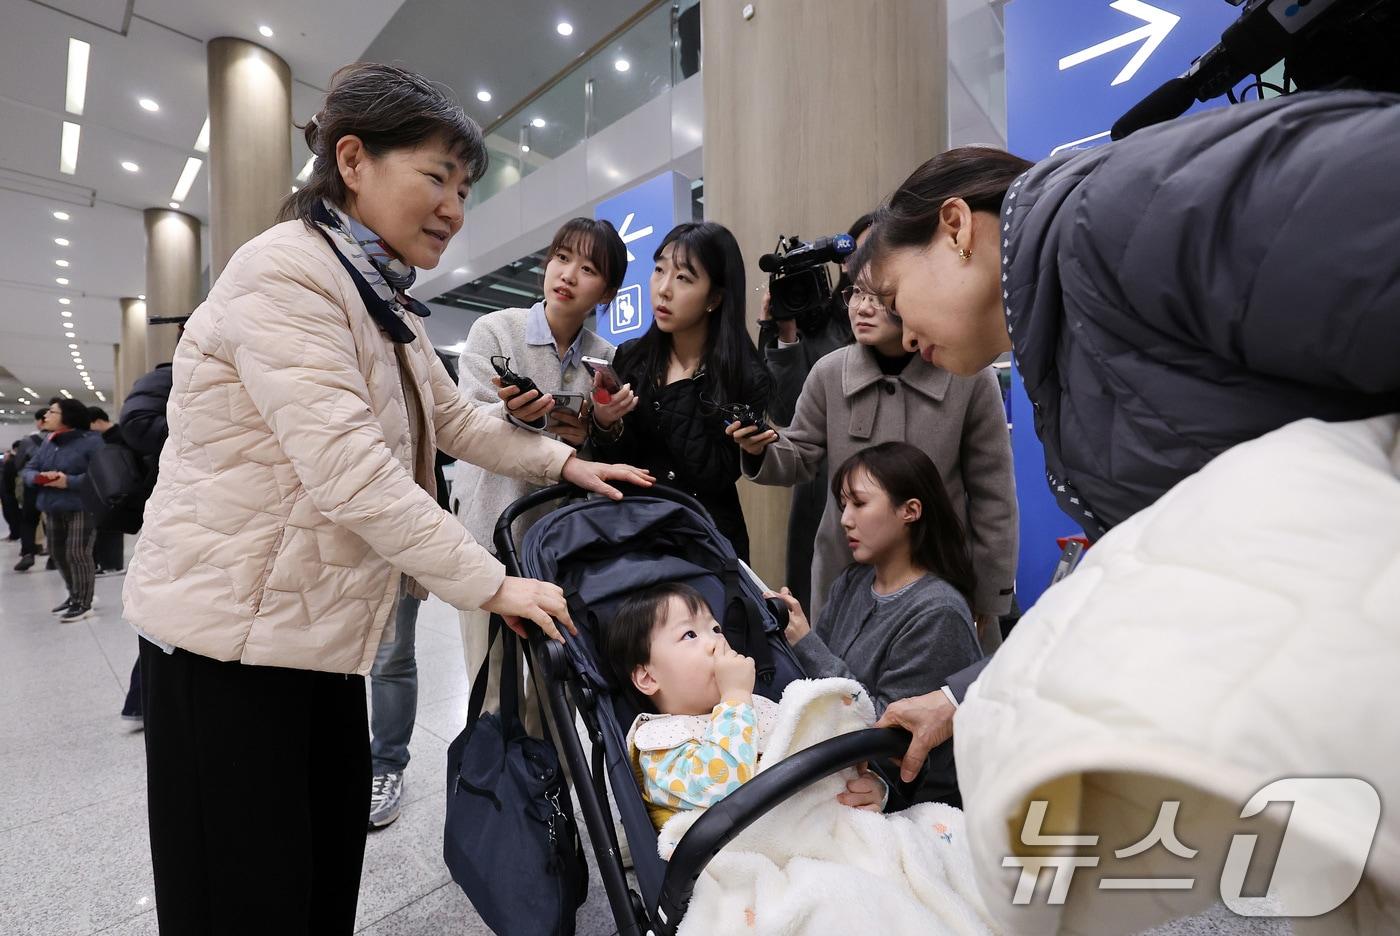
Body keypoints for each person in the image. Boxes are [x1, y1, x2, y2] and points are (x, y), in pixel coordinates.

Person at [122, 62, 651, 935]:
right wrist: (491, 583)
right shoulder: (286, 274)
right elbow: (352, 473)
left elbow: (454, 419)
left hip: (313, 640)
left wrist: (566, 465)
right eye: (437, 176)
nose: (454, 205)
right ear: (355, 160)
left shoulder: (377, 297)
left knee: (321, 877)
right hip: (228, 649)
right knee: (245, 894)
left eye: (465, 186)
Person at [850, 92, 1400, 782]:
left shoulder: (1115, 215)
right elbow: (1132, 579)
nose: (899, 333)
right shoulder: (1066, 350)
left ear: (956, 227)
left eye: (896, 298)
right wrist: (967, 695)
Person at [732, 242, 1016, 638]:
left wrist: (989, 593)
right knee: (844, 692)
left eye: (880, 298)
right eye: (856, 294)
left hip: (942, 575)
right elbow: (799, 455)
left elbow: (993, 497)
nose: (862, 308)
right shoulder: (829, 374)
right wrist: (761, 447)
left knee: (942, 690)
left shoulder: (968, 375)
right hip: (844, 576)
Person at [453, 216, 628, 751]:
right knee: (495, 686)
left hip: (558, 547)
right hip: (489, 536)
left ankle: (549, 800)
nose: (568, 274)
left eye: (588, 268)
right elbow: (468, 425)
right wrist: (528, 421)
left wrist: (603, 426)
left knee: (556, 691)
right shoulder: (496, 332)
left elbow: (600, 453)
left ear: (609, 290)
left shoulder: (606, 357)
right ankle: (502, 805)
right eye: (561, 258)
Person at [766, 443, 983, 805]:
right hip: (839, 772)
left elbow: (890, 730)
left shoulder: (938, 612)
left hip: (915, 802)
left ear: (910, 511)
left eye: (860, 503)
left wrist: (804, 641)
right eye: (843, 505)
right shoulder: (852, 583)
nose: (845, 519)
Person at [601, 582, 886, 829]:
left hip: (821, 824)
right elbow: (725, 790)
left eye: (715, 628)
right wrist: (735, 696)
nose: (716, 641)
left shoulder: (754, 706)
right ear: (648, 677)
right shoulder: (660, 744)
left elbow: (816, 751)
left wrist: (868, 784)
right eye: (690, 634)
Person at [592, 221, 771, 560]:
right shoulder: (632, 356)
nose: (663, 289)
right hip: (634, 539)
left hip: (706, 544)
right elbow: (613, 462)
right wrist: (604, 422)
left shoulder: (744, 374)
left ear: (715, 298)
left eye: (683, 278)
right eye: (659, 270)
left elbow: (715, 474)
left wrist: (679, 387)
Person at [365, 351, 464, 830]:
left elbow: (455, 430)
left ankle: (385, 765)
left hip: (403, 523)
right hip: (330, 526)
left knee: (391, 656)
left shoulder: (413, 343)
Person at [757, 213, 869, 609]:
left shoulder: (919, 325)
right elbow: (787, 415)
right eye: (860, 248)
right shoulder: (817, 323)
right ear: (842, 261)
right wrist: (783, 332)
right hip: (823, 496)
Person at [21, 399, 103, 621]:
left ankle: (84, 603)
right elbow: (29, 468)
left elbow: (99, 475)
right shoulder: (50, 441)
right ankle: (74, 595)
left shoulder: (92, 442)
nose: (46, 416)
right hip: (52, 505)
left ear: (68, 416)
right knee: (58, 553)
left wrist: (68, 481)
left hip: (82, 506)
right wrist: (37, 478)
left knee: (77, 552)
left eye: (52, 412)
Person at [85, 406, 127, 574]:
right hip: (103, 488)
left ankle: (112, 564)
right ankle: (103, 563)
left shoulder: (120, 436)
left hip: (118, 487)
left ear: (98, 422)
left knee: (113, 528)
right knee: (102, 528)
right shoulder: (102, 438)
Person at [13, 408, 48, 571]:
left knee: (28, 521)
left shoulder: (28, 441)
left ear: (40, 421)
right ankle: (54, 556)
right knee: (54, 522)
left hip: (32, 486)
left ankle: (28, 553)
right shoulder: (60, 439)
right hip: (55, 485)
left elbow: (18, 464)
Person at [2, 440, 20, 541]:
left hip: (10, 494)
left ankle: (15, 534)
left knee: (12, 515)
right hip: (12, 493)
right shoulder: (18, 460)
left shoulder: (11, 462)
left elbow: (8, 480)